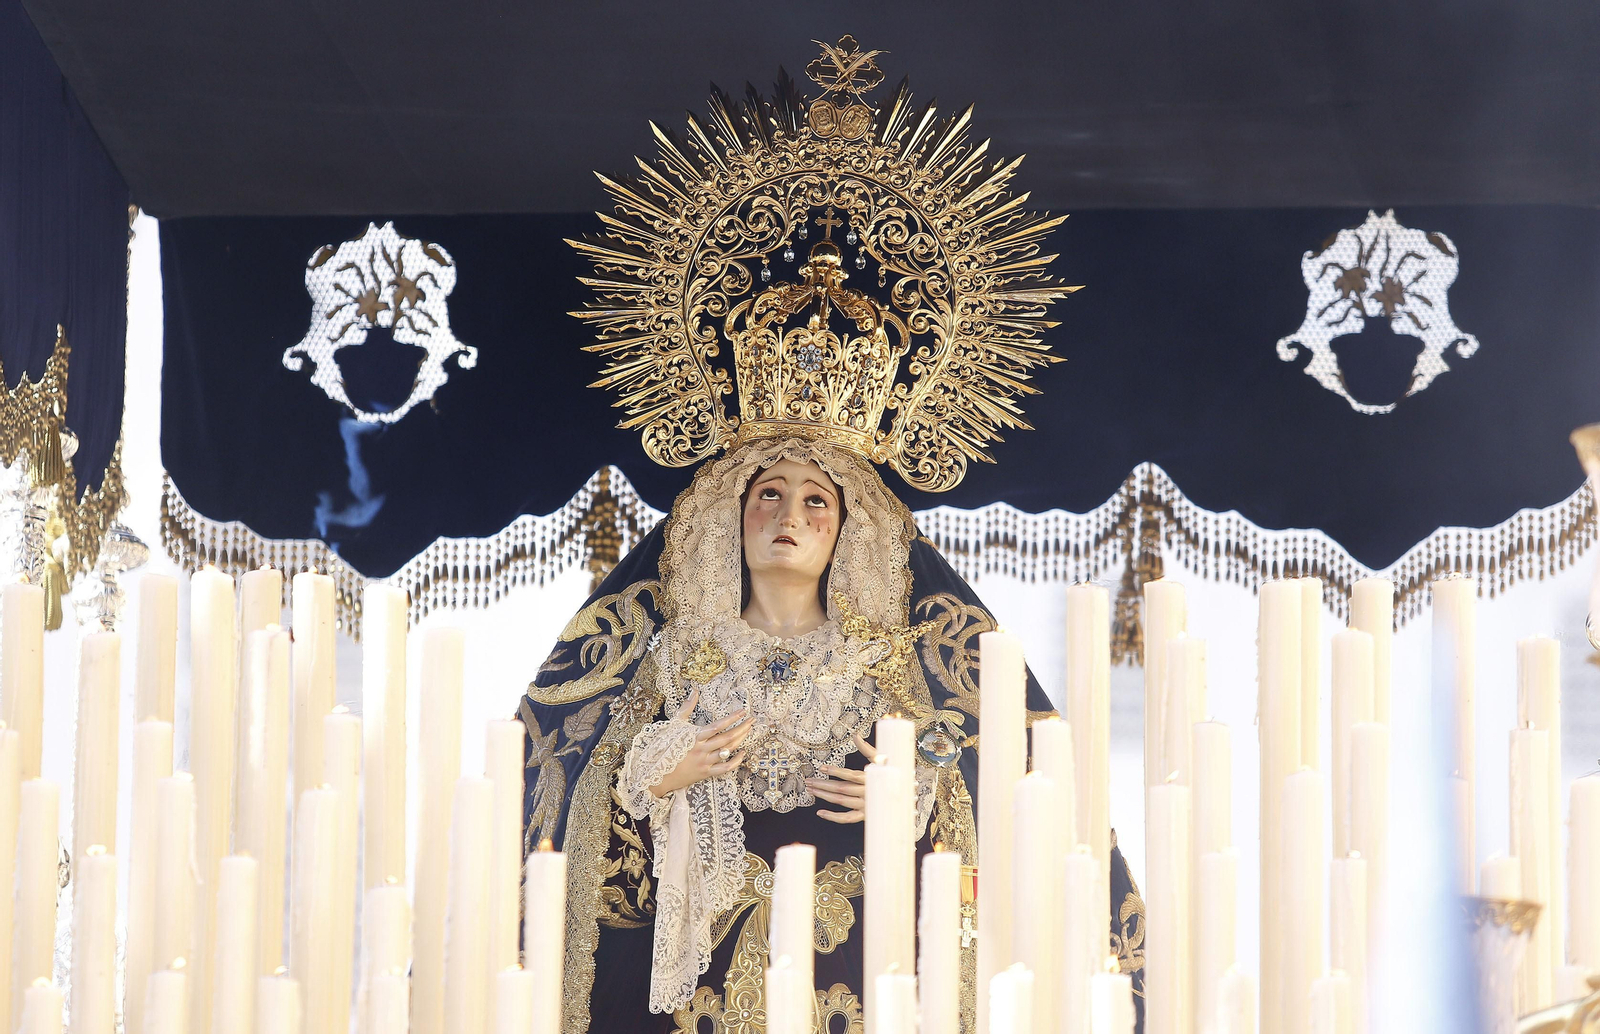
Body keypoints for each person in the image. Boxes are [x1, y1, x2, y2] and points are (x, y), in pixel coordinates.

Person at [519, 438, 1146, 1033]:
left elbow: (997, 792)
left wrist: (910, 804)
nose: (788, 513)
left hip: (859, 965)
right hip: (699, 969)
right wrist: (659, 778)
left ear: (849, 528)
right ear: (731, 515)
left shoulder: (893, 669)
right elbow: (577, 802)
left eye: (815, 499)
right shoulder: (674, 663)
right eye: (768, 493)